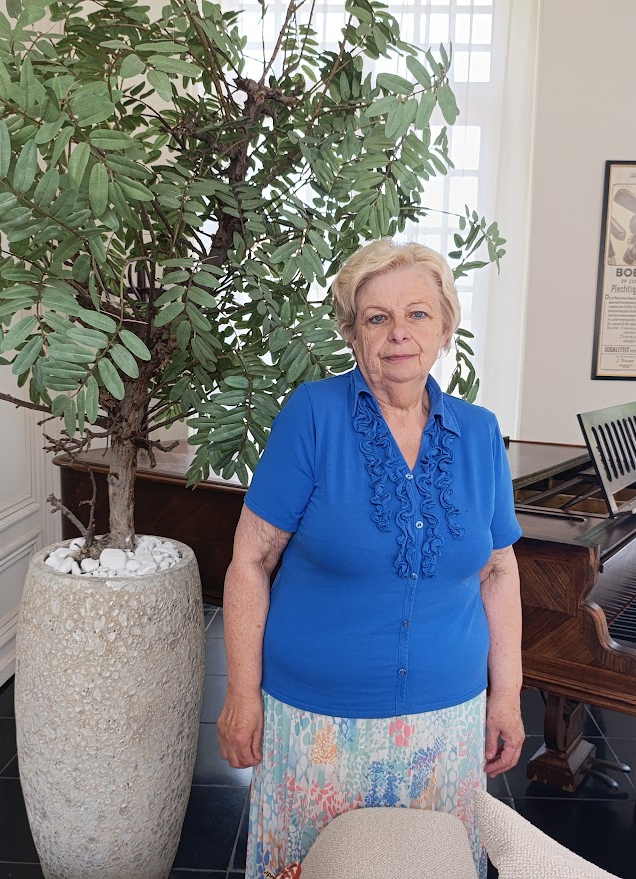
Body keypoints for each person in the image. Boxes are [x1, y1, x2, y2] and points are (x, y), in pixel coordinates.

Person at [217, 239, 525, 879]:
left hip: (448, 725)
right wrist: (241, 694)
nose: (398, 333)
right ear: (353, 334)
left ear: (445, 328)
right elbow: (250, 560)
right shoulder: (312, 416)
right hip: (318, 726)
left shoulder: (479, 433)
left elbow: (498, 571)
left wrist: (507, 696)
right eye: (376, 317)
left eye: (417, 314)